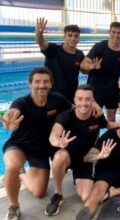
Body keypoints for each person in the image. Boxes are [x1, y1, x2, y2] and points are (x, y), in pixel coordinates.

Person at [1, 67, 72, 220]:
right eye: (37, 81)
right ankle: (14, 206)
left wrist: (91, 104)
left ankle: (21, 174)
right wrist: (10, 118)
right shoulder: (22, 102)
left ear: (51, 84)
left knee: (39, 192)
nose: (41, 85)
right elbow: (14, 111)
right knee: (12, 165)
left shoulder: (57, 99)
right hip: (19, 145)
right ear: (29, 84)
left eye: (45, 81)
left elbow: (74, 109)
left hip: (40, 151)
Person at [45, 84, 116, 216]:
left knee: (85, 196)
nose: (84, 103)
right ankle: (58, 193)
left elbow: (107, 125)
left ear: (92, 100)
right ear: (75, 100)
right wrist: (57, 141)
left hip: (84, 160)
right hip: (67, 156)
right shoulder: (65, 116)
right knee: (59, 156)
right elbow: (53, 135)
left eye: (87, 99)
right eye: (80, 99)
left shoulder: (96, 116)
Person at [80, 21, 120, 122]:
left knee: (111, 119)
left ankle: (110, 138)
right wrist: (91, 66)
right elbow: (82, 66)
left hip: (112, 90)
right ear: (109, 32)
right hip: (96, 90)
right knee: (93, 119)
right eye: (113, 32)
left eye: (119, 33)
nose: (116, 35)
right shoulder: (99, 47)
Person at [35, 17, 85, 102]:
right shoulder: (53, 49)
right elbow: (41, 43)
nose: (73, 38)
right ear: (64, 37)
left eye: (76, 36)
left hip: (71, 96)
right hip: (51, 95)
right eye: (70, 35)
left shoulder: (79, 54)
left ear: (78, 38)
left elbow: (84, 70)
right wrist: (39, 33)